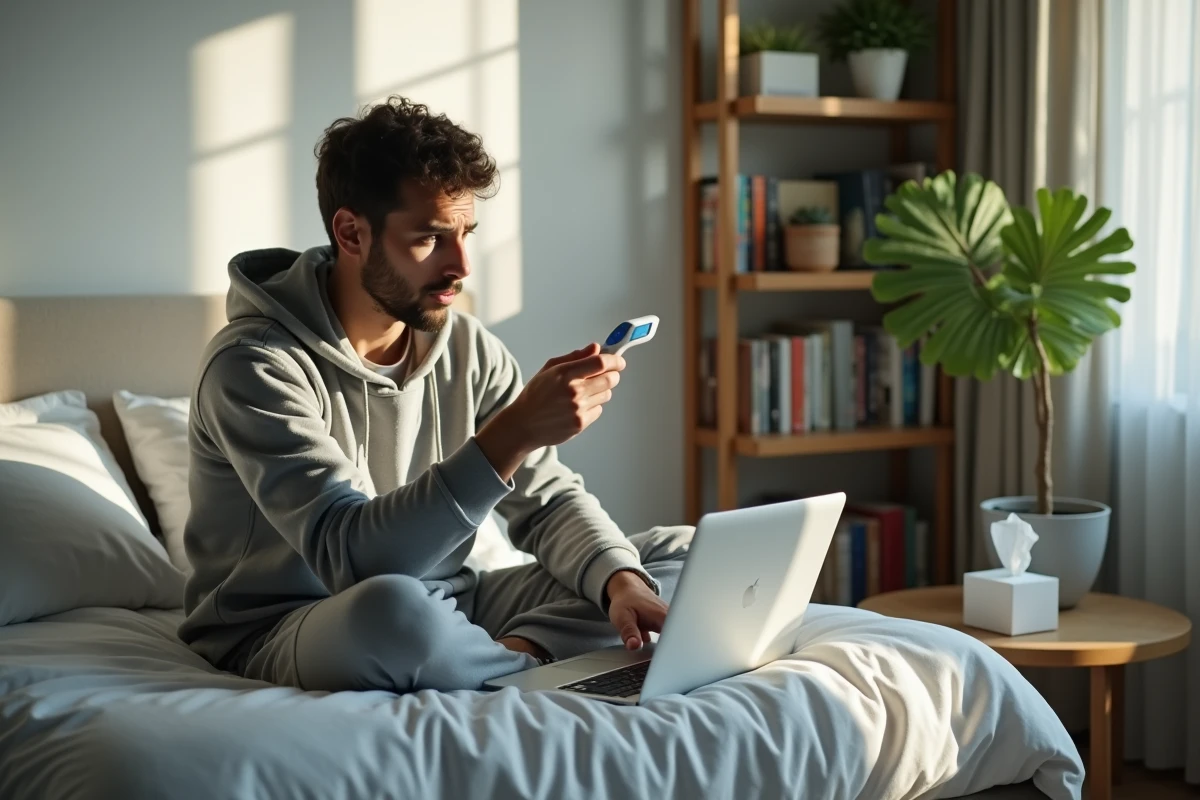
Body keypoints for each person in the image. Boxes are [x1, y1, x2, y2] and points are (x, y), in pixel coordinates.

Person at [178, 96, 693, 693]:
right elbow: (354, 561)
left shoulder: (468, 347)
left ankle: (504, 656)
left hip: (456, 602)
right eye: (430, 238)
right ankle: (536, 665)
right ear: (351, 232)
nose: (462, 266)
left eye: (466, 233)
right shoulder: (253, 365)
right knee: (389, 613)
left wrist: (616, 581)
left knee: (676, 554)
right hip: (289, 624)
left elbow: (547, 502)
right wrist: (513, 433)